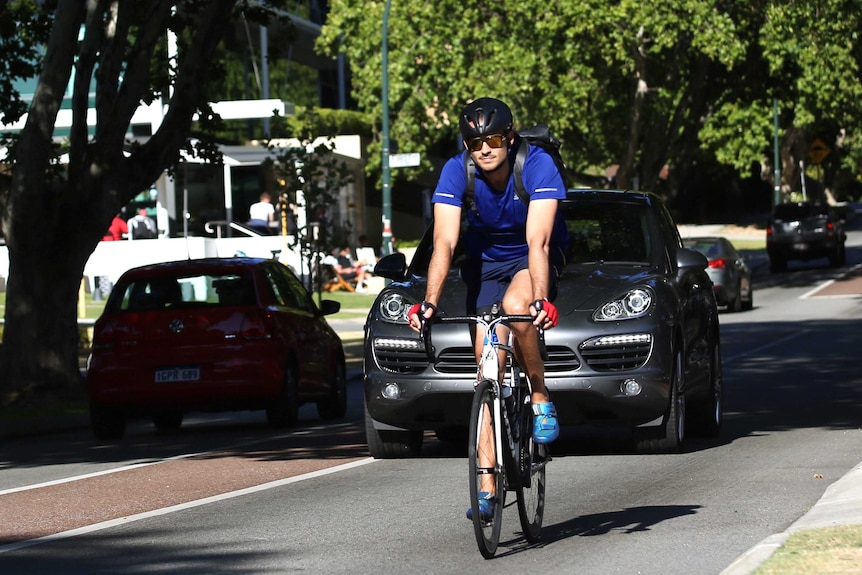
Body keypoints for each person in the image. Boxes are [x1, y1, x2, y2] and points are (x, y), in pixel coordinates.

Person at [406, 97, 568, 520]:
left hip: (531, 258)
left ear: (510, 139)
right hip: (484, 266)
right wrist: (428, 303)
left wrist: (540, 298)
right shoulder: (457, 171)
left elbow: (540, 242)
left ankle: (538, 393)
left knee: (517, 308)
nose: (485, 149)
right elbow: (444, 243)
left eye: (493, 139)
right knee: (487, 367)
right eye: (475, 142)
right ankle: (487, 486)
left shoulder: (536, 165)